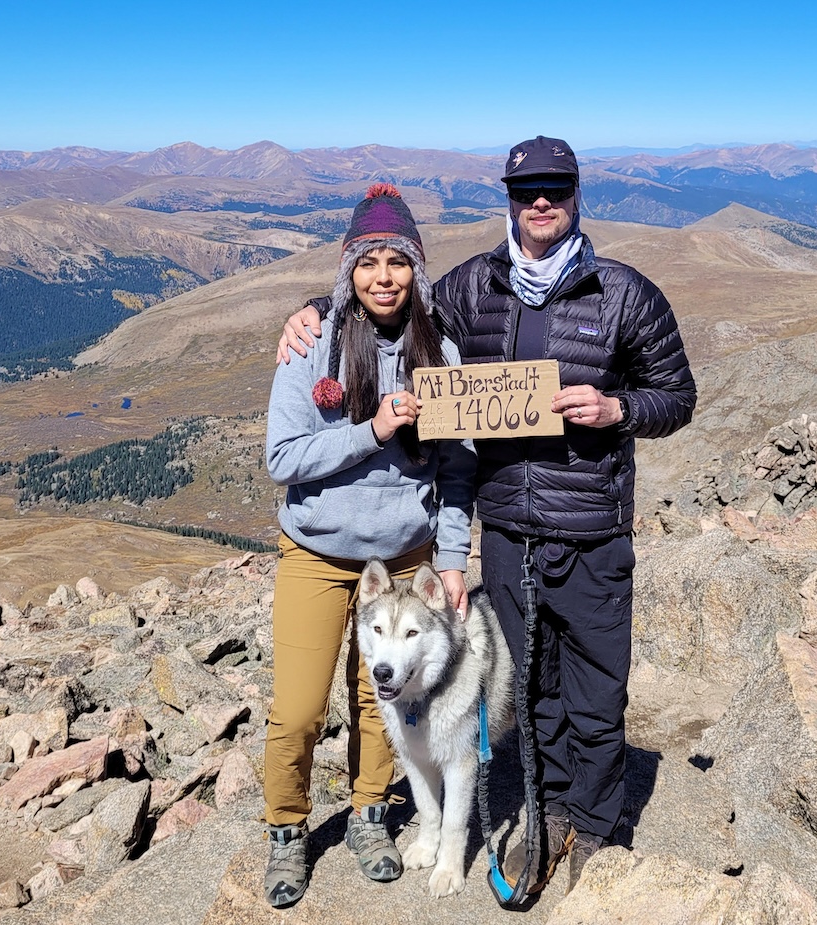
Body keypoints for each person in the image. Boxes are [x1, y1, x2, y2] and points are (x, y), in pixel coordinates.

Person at [277, 136, 696, 896]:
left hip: (593, 522)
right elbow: (387, 297)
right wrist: (311, 311)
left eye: (556, 187)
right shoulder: (474, 287)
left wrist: (619, 407)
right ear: (508, 196)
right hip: (508, 529)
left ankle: (596, 831)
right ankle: (547, 810)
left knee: (597, 688)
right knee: (529, 687)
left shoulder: (626, 292)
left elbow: (678, 396)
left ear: (576, 193)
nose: (541, 200)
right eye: (526, 188)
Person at [263, 182, 475, 907]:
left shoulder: (438, 346)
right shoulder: (310, 343)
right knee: (296, 708)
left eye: (399, 261)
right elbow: (283, 458)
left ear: (416, 268)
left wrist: (451, 558)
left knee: (388, 703)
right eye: (370, 261)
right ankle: (287, 828)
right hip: (319, 554)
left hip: (407, 560)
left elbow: (456, 464)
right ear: (348, 269)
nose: (384, 276)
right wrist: (373, 429)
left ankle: (369, 813)